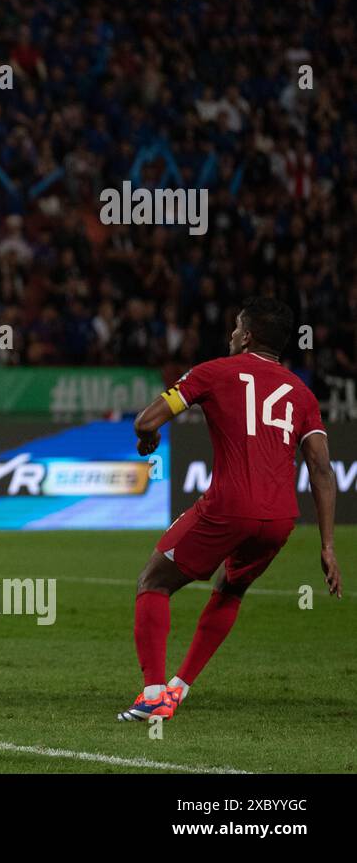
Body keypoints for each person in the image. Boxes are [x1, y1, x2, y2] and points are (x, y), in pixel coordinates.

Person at [120, 297, 343, 721]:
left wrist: (146, 440)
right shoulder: (303, 393)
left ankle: (152, 695)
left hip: (229, 506)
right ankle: (178, 690)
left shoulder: (213, 372)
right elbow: (321, 468)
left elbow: (145, 422)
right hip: (279, 519)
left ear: (249, 337)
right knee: (231, 589)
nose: (231, 335)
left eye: (237, 328)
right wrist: (328, 545)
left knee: (153, 581)